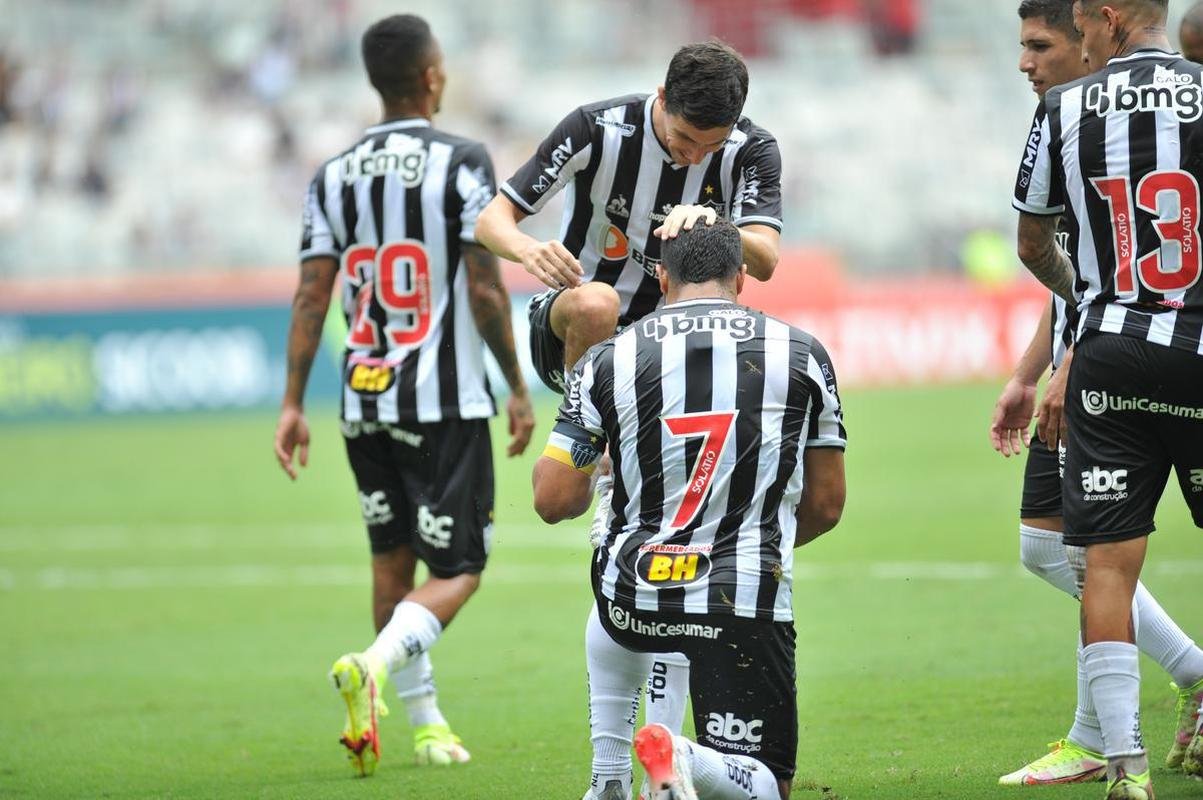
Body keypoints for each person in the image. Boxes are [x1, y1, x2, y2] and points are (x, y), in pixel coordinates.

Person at [476, 39, 784, 799]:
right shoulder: (596, 127)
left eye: (707, 147)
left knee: (677, 550)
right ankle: (595, 449)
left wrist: (718, 221)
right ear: (661, 99)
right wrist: (528, 251)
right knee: (597, 300)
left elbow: (766, 258)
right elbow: (492, 217)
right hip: (580, 333)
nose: (691, 156)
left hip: (680, 350)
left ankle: (646, 775)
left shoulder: (751, 148)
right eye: (682, 140)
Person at [272, 14, 534, 777]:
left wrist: (292, 403)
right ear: (430, 76)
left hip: (364, 403)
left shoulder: (331, 175)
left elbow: (310, 297)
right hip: (443, 404)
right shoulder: (461, 160)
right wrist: (516, 386)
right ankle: (374, 667)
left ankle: (423, 726)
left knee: (391, 567)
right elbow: (483, 287)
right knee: (461, 568)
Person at [531, 220, 847, 800]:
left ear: (660, 277)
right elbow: (826, 506)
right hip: (741, 601)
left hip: (631, 597)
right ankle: (683, 754)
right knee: (768, 785)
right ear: (742, 277)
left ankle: (608, 775)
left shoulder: (607, 359)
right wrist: (752, 538)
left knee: (617, 566)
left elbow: (553, 501)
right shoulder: (803, 353)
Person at [993, 0, 1203, 786]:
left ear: (1102, 22)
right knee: (1054, 545)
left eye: (1051, 39)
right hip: (1154, 343)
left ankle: (1120, 757)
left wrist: (1083, 332)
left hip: (1105, 354)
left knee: (1093, 554)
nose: (1029, 62)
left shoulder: (1066, 110)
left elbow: (1038, 246)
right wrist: (1031, 369)